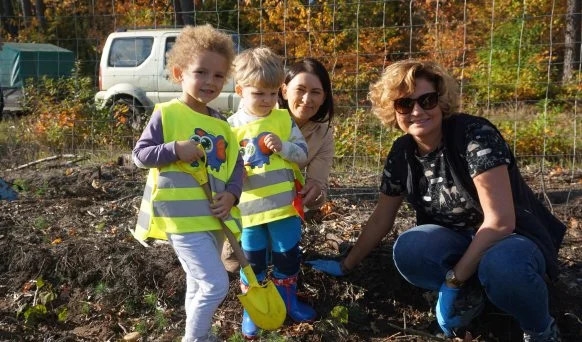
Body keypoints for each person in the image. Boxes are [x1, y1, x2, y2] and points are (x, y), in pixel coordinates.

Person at [307, 60, 566, 342]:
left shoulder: (475, 136)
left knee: (503, 267)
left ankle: (540, 329)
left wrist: (453, 280)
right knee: (410, 248)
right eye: (405, 104)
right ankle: (472, 299)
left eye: (427, 100)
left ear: (441, 101)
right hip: (456, 240)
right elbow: (382, 218)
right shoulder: (402, 153)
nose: (417, 111)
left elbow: (500, 222)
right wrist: (347, 265)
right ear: (392, 111)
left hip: (512, 240)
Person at [132, 24, 244, 342]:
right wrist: (173, 149)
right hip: (181, 220)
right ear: (180, 73)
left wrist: (233, 196)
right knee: (215, 283)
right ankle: (194, 339)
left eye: (219, 76)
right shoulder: (167, 115)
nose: (210, 81)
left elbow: (237, 167)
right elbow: (139, 156)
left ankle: (199, 333)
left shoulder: (222, 124)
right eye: (201, 72)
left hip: (213, 218)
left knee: (198, 283)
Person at [228, 47, 314, 339]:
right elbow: (222, 169)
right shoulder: (230, 129)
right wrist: (233, 174)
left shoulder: (283, 120)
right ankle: (255, 307)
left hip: (284, 209)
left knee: (287, 255)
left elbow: (303, 154)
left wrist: (285, 147)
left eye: (271, 93)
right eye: (258, 93)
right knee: (252, 260)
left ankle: (287, 298)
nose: (266, 100)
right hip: (249, 213)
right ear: (241, 90)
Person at [278, 58, 335, 211]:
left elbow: (318, 183)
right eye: (300, 90)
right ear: (284, 91)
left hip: (283, 208)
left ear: (323, 98)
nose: (306, 99)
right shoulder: (261, 117)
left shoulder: (323, 135)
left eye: (315, 92)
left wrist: (314, 194)